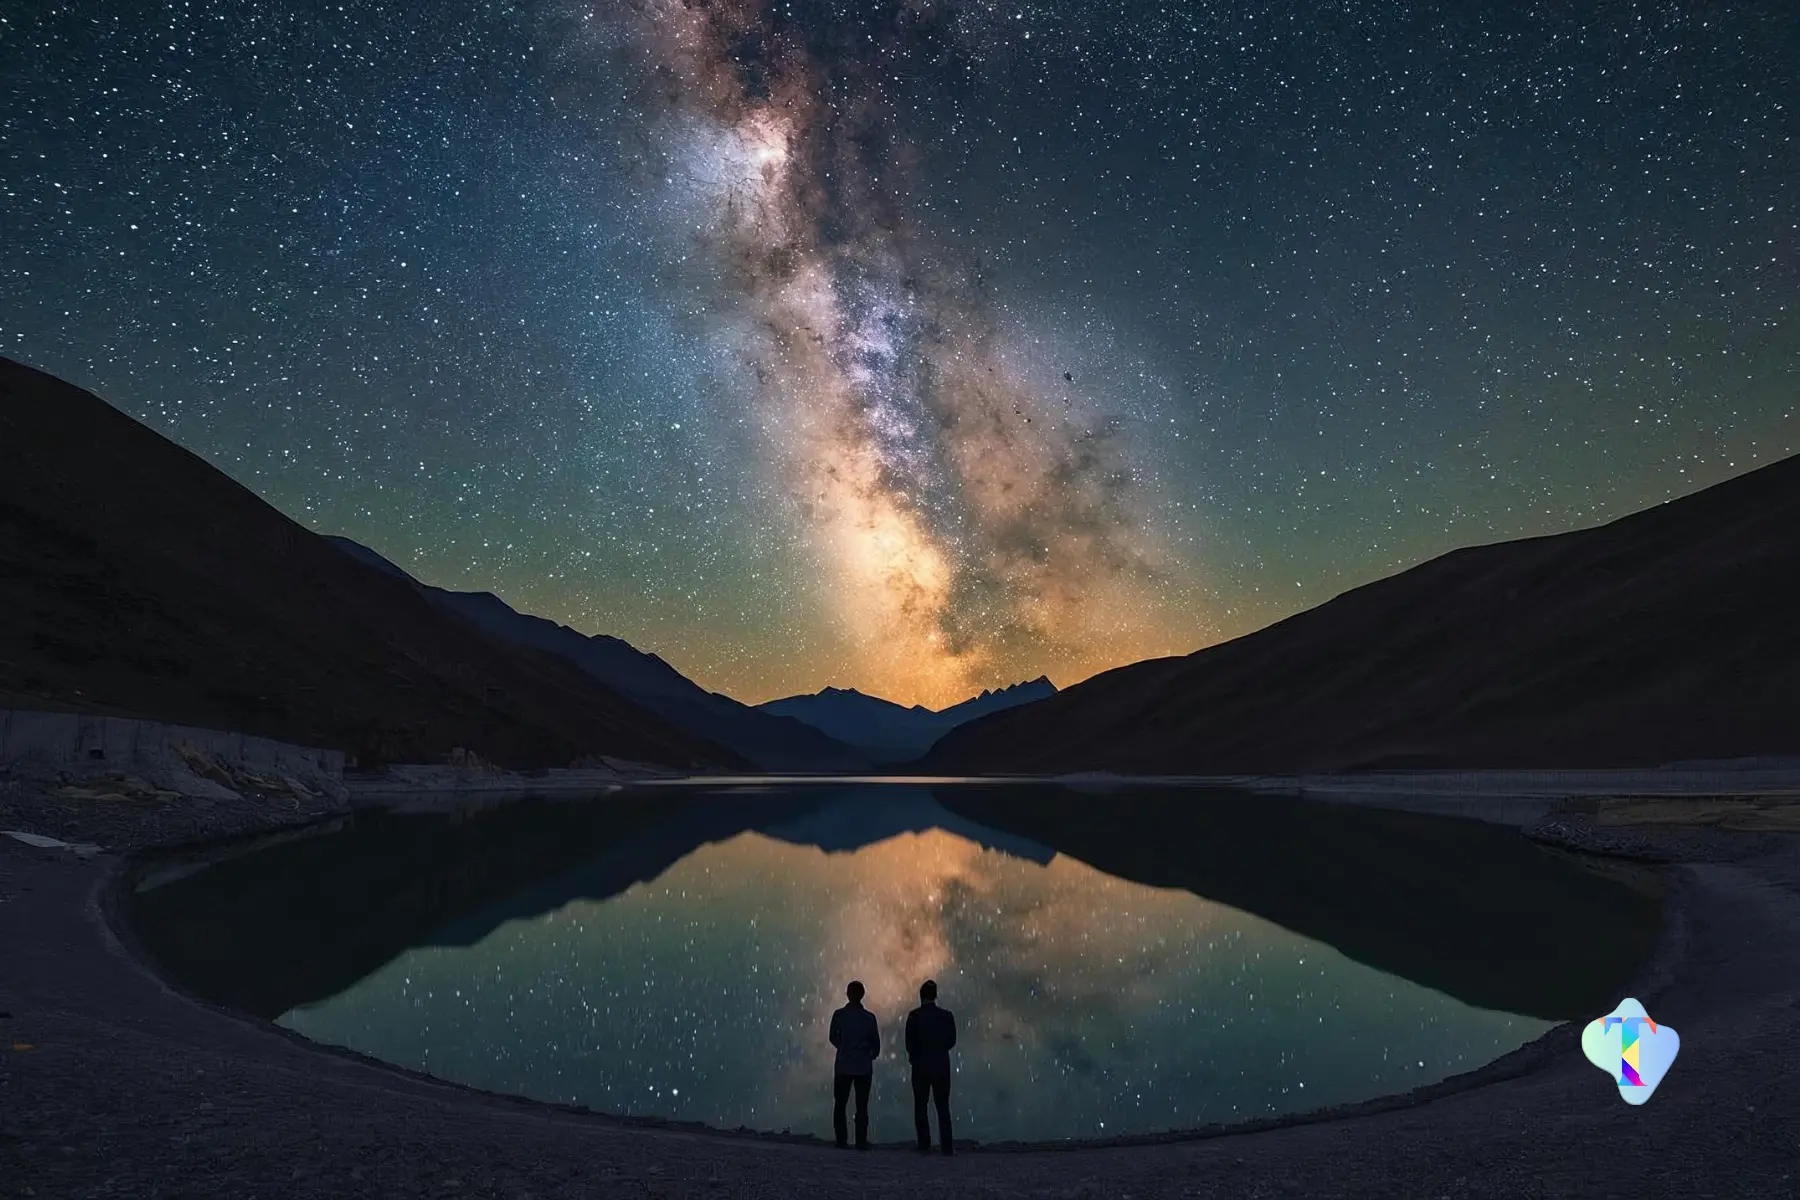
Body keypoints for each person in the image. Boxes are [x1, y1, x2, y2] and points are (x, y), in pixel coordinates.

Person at [904, 978, 957, 1155]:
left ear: (921, 996)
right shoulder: (946, 1015)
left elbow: (909, 1042)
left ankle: (924, 1143)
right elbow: (951, 1041)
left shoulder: (914, 1016)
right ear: (935, 996)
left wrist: (916, 1056)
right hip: (941, 1065)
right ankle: (947, 1146)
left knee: (920, 1106)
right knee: (943, 1107)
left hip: (920, 1065)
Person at [827, 980, 880, 1150]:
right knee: (862, 1106)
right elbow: (875, 1044)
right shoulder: (869, 1018)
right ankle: (860, 1142)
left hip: (843, 1065)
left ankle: (841, 1141)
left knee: (840, 1104)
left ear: (847, 994)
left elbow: (832, 1037)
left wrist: (843, 1047)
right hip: (863, 1067)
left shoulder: (839, 1015)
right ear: (862, 995)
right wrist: (868, 1054)